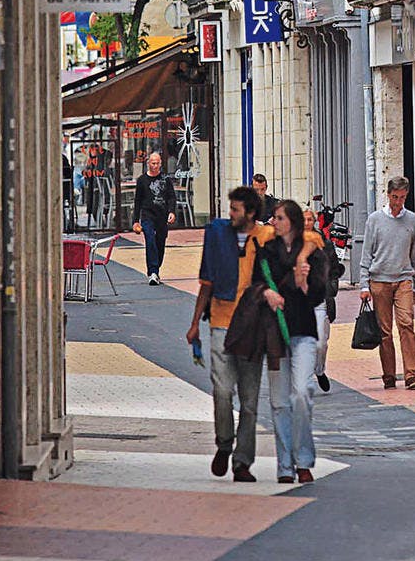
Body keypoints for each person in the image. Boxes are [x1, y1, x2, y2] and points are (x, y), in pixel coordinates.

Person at [186, 185, 274, 482]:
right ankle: (224, 443)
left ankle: (242, 462)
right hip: (222, 321)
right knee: (222, 390)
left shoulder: (266, 238)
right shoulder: (218, 235)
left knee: (249, 401)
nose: (230, 214)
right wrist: (196, 322)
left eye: (236, 209)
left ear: (250, 212)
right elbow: (206, 282)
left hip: (253, 327)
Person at [261, 200, 328, 484]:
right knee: (279, 402)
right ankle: (286, 465)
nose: (273, 222)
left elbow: (318, 295)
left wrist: (304, 285)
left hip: (302, 331)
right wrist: (266, 293)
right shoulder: (267, 253)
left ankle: (303, 459)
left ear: (291, 222)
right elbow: (255, 284)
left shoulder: (312, 252)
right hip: (274, 335)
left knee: (302, 392)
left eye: (278, 218)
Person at [360, 176, 415, 390]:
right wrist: (363, 285)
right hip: (379, 281)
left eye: (403, 197)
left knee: (406, 324)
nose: (399, 202)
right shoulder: (375, 220)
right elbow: (366, 254)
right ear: (388, 195)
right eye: (395, 197)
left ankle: (412, 375)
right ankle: (389, 375)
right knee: (385, 331)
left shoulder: (412, 219)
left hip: (404, 278)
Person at [304, 206, 341, 394]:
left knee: (320, 343)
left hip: (319, 300)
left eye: (310, 219)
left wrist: (331, 287)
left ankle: (319, 370)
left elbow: (335, 268)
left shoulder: (324, 244)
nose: (306, 223)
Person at [132, 151, 176, 284]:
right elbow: (137, 201)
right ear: (148, 163)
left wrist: (172, 212)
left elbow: (171, 197)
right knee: (150, 240)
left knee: (160, 243)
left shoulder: (166, 179)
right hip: (147, 215)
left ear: (161, 164)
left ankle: (156, 268)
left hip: (161, 216)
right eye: (153, 163)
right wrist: (135, 221)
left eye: (157, 163)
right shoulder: (142, 180)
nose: (155, 166)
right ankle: (153, 272)